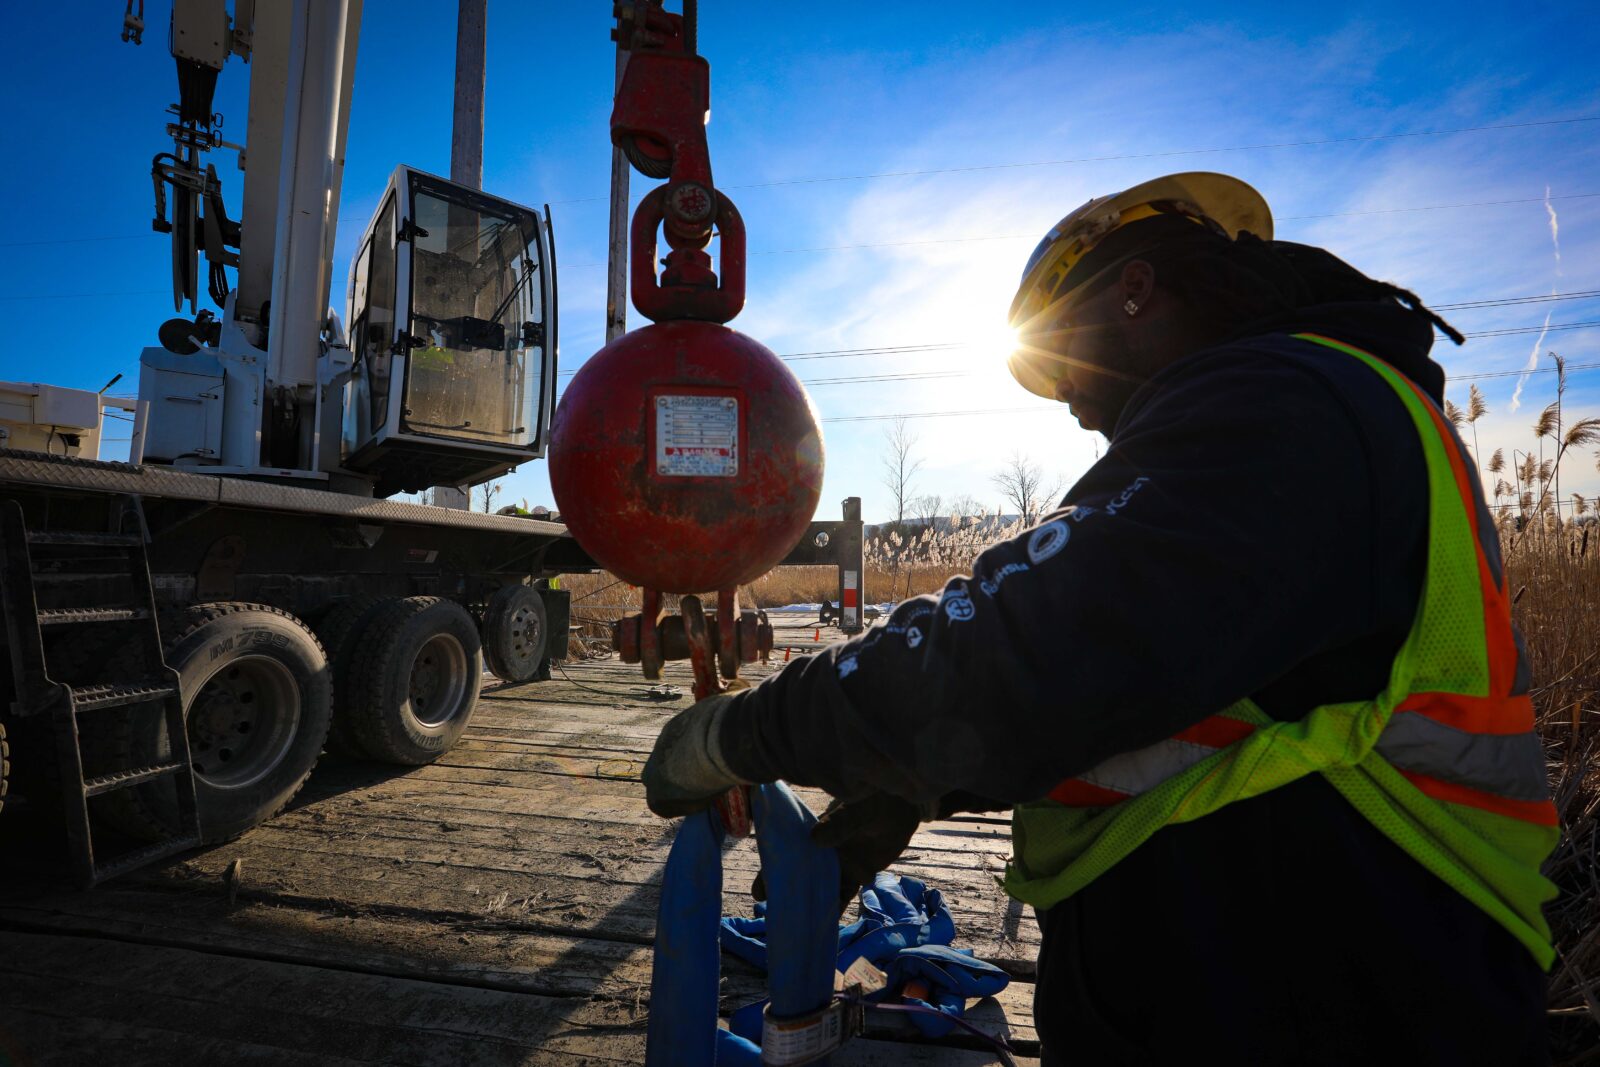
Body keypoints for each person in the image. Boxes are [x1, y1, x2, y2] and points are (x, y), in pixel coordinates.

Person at [642, 172, 1559, 1064]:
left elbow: (1028, 647)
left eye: (1059, 363)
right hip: (1299, 973)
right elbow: (1157, 686)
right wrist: (919, 776)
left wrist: (751, 728)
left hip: (1364, 997)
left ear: (1134, 287)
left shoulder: (1292, 408)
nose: (1074, 408)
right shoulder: (1304, 414)